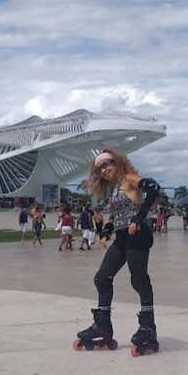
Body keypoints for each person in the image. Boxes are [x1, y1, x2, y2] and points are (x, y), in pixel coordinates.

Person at [73, 148, 160, 356]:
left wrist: (138, 218)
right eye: (100, 168)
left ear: (118, 163)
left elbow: (154, 188)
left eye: (107, 164)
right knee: (102, 278)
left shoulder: (129, 179)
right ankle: (102, 326)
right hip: (122, 238)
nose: (104, 170)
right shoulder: (114, 189)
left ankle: (148, 328)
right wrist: (106, 231)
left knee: (139, 280)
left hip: (138, 235)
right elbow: (119, 214)